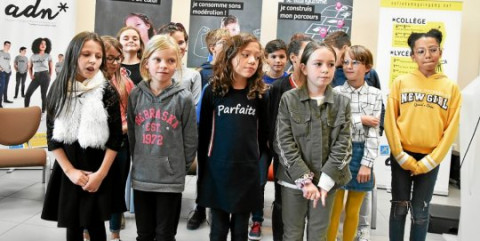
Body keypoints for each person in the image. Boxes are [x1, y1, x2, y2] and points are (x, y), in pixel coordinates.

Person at [41, 31, 123, 241]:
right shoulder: (58, 89)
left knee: (96, 226)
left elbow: (115, 140)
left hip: (98, 168)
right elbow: (52, 138)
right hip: (69, 167)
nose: (93, 61)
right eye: (86, 54)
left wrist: (100, 175)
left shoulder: (107, 91)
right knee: (73, 224)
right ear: (73, 55)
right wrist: (70, 172)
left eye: (98, 56)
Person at [385, 29, 461, 241]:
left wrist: (432, 160)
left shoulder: (450, 87)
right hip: (401, 156)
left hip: (430, 159)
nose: (427, 55)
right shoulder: (401, 82)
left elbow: (451, 129)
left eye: (432, 49)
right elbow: (390, 121)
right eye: (421, 51)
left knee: (421, 211)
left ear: (440, 51)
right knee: (399, 207)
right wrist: (400, 154)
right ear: (413, 56)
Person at [274, 41, 352, 241]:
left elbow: (343, 145)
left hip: (327, 182)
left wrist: (325, 183)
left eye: (331, 64)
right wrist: (304, 180)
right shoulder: (288, 99)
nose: (325, 70)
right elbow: (283, 142)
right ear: (304, 68)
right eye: (318, 64)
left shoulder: (342, 103)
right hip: (294, 181)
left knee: (319, 234)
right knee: (292, 233)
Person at [197, 33, 268, 241]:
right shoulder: (213, 91)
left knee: (239, 231)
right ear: (229, 56)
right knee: (218, 230)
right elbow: (204, 137)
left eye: (256, 57)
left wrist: (257, 167)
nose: (252, 61)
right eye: (245, 54)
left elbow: (263, 137)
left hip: (246, 172)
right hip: (217, 171)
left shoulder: (260, 95)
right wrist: (205, 172)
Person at [127, 34, 198, 241]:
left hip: (170, 180)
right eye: (157, 59)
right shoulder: (136, 95)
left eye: (170, 60)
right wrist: (138, 160)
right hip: (142, 177)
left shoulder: (183, 97)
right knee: (144, 234)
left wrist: (178, 169)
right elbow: (132, 132)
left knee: (165, 234)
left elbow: (190, 139)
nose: (163, 66)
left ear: (177, 64)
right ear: (146, 62)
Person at [327, 45, 382, 241]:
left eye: (355, 62)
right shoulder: (336, 92)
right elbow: (333, 124)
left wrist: (367, 164)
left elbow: (373, 133)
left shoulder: (375, 94)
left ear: (368, 68)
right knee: (334, 210)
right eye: (346, 62)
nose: (349, 66)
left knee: (353, 211)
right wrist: (361, 120)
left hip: (362, 153)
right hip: (338, 152)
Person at [266, 35, 312, 241]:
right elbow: (272, 126)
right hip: (285, 158)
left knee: (309, 205)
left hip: (312, 157)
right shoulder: (279, 87)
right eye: (306, 53)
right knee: (283, 202)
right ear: (293, 58)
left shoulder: (317, 85)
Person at [186, 28, 231, 231]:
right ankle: (200, 209)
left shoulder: (235, 71)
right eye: (224, 43)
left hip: (226, 132)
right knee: (203, 173)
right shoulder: (203, 73)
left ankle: (218, 210)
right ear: (213, 47)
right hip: (204, 131)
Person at [101, 35, 135, 241]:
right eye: (110, 58)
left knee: (117, 189)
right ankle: (88, 231)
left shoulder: (125, 81)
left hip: (121, 141)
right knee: (94, 189)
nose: (115, 63)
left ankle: (114, 233)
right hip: (97, 144)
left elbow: (132, 115)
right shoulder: (90, 81)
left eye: (118, 58)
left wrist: (120, 129)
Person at [158, 22, 202, 106]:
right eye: (172, 42)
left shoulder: (194, 76)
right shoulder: (154, 73)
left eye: (181, 42)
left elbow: (194, 109)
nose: (177, 47)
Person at [25, 37, 53, 113]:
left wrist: (49, 76)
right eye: (41, 43)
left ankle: (43, 111)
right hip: (36, 76)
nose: (43, 45)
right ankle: (25, 110)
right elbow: (30, 67)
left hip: (45, 76)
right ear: (37, 45)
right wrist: (31, 75)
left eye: (45, 44)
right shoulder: (33, 56)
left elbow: (51, 67)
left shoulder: (48, 56)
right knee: (27, 94)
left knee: (43, 95)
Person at [0, 41, 12, 106]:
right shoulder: (0, 52)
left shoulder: (8, 54)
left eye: (9, 46)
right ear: (4, 45)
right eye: (7, 45)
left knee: (6, 87)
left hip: (8, 72)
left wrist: (10, 69)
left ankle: (5, 99)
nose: (8, 47)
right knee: (2, 87)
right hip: (2, 72)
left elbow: (7, 63)